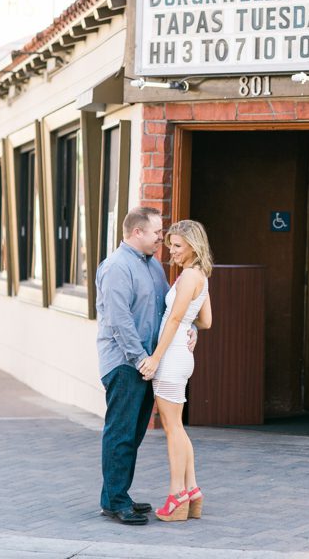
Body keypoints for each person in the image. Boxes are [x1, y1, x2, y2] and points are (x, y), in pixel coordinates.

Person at [95, 206, 195, 526]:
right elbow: (118, 321)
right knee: (121, 433)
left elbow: (169, 310)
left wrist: (187, 331)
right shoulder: (116, 267)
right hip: (125, 364)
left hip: (147, 364)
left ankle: (115, 495)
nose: (161, 240)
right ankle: (115, 501)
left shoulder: (153, 267)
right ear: (137, 232)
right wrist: (141, 360)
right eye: (156, 233)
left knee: (134, 433)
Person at [138, 220, 213, 522]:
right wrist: (189, 328)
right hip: (181, 354)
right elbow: (205, 321)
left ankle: (177, 496)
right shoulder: (201, 277)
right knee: (177, 427)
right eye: (170, 246)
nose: (172, 253)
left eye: (178, 246)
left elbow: (173, 319)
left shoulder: (188, 277)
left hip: (170, 358)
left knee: (173, 429)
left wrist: (155, 358)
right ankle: (192, 492)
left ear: (194, 246)